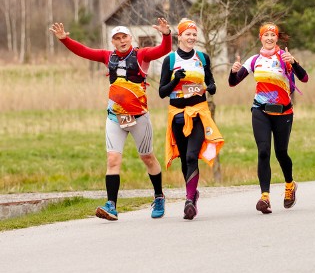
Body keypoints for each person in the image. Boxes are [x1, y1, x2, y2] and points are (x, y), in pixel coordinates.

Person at [49, 19, 172, 221]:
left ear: (130, 39)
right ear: (112, 42)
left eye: (124, 37)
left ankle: (159, 196)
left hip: (139, 116)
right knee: (112, 159)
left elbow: (162, 50)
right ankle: (111, 206)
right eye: (117, 38)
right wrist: (65, 39)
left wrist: (167, 35)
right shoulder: (108, 56)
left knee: (147, 157)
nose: (121, 40)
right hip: (115, 116)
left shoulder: (142, 54)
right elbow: (84, 51)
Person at [228, 22, 308, 214]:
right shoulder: (254, 60)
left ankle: (290, 185)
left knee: (281, 153)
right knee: (263, 151)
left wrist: (294, 63)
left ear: (277, 38)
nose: (270, 38)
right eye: (266, 35)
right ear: (261, 37)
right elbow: (233, 83)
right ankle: (265, 197)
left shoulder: (285, 57)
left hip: (283, 112)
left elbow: (304, 78)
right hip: (260, 111)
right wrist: (233, 71)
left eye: (273, 35)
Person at [159, 19, 224, 220]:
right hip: (177, 115)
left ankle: (188, 200)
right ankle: (193, 193)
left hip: (198, 113)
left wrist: (212, 87)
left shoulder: (202, 58)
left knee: (191, 156)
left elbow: (210, 80)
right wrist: (176, 79)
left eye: (194, 34)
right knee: (184, 159)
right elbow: (162, 92)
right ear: (180, 36)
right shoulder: (169, 60)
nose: (192, 37)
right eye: (188, 34)